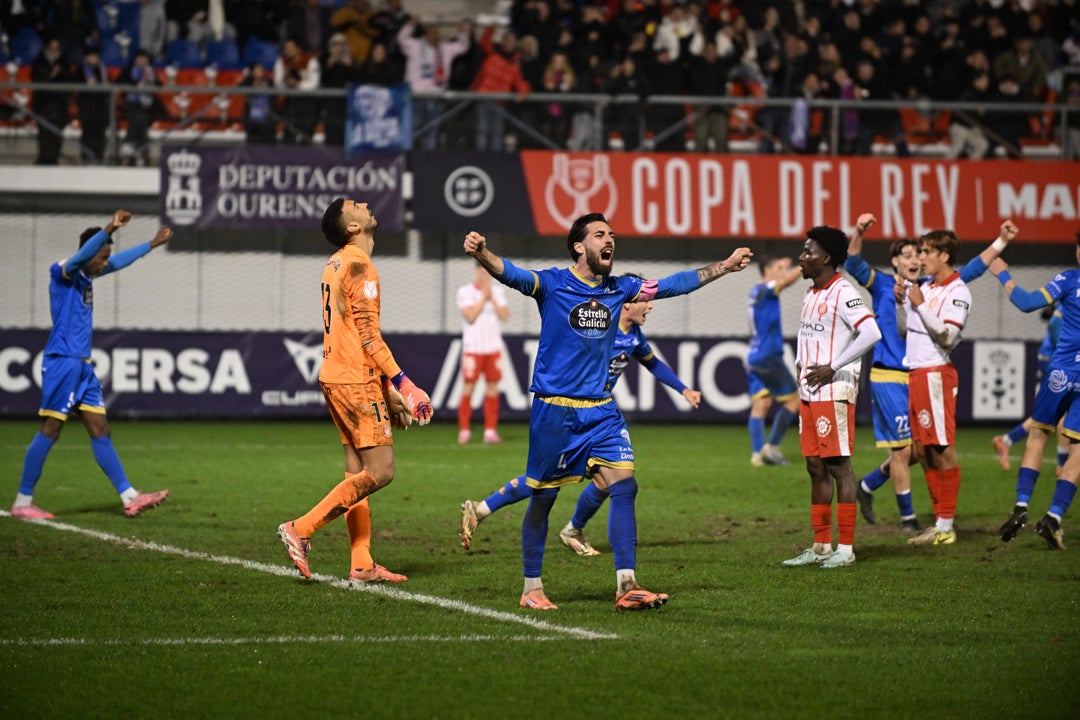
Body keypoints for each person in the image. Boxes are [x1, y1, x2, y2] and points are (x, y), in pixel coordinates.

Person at [463, 213, 752, 611]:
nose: (609, 239)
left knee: (624, 484)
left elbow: (674, 285)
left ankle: (627, 585)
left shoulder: (623, 289)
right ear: (580, 246)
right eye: (600, 234)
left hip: (600, 410)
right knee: (543, 497)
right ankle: (532, 588)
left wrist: (724, 266)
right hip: (555, 411)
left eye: (612, 234)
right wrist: (482, 254)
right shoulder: (552, 283)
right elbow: (511, 273)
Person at [459, 289, 703, 553]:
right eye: (646, 301)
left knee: (608, 478)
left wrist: (683, 389)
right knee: (545, 478)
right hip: (569, 412)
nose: (651, 306)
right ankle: (481, 509)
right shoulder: (599, 329)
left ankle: (573, 529)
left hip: (597, 416)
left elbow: (653, 363)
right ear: (628, 305)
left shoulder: (633, 336)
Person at [277, 198, 434, 583]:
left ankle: (362, 562)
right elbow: (368, 336)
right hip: (354, 378)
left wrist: (386, 391)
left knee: (356, 474)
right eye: (354, 205)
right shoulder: (361, 266)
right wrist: (404, 384)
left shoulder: (335, 263)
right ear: (352, 227)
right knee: (381, 472)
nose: (363, 204)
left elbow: (351, 333)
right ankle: (301, 528)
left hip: (336, 373)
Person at [847, 219, 1016, 531]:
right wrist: (858, 233)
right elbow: (853, 262)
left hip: (925, 373)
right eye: (910, 254)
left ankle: (877, 490)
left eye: (921, 253)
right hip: (894, 376)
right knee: (911, 451)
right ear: (896, 261)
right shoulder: (886, 285)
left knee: (922, 451)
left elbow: (974, 269)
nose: (916, 259)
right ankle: (913, 519)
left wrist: (1001, 242)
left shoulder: (932, 288)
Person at [12, 210, 172, 520]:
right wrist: (110, 227)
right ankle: (22, 502)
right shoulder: (63, 273)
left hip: (82, 367)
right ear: (86, 254)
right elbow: (84, 256)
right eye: (100, 257)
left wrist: (151, 244)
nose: (104, 263)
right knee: (51, 428)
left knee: (101, 429)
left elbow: (120, 260)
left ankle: (130, 496)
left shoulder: (87, 274)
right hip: (63, 363)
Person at [782, 226, 881, 569]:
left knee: (840, 467)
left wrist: (834, 366)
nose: (801, 256)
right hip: (810, 391)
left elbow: (871, 332)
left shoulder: (844, 291)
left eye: (808, 251)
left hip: (834, 390)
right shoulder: (812, 293)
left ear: (826, 258)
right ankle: (821, 545)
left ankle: (847, 549)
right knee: (815, 467)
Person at [991, 237, 1080, 549]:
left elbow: (1027, 302)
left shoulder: (1069, 279)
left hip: (1060, 372)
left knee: (1038, 435)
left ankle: (1021, 508)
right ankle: (1053, 517)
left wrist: (1003, 272)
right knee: (1079, 449)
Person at [897, 230, 973, 546]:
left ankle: (945, 526)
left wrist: (920, 304)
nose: (921, 257)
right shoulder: (924, 288)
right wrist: (902, 303)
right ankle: (939, 523)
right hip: (915, 373)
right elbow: (904, 331)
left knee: (942, 449)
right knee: (922, 451)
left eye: (927, 251)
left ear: (943, 255)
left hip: (935, 375)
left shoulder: (958, 292)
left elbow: (947, 337)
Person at [745, 255, 803, 467]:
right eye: (779, 268)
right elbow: (785, 282)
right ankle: (772, 447)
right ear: (768, 270)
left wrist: (785, 266)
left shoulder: (755, 291)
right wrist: (805, 264)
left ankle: (757, 455)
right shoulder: (768, 287)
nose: (783, 272)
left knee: (762, 402)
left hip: (754, 356)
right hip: (768, 355)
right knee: (793, 401)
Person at [992, 304, 1064, 473]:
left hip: (1054, 359)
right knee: (1063, 414)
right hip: (1056, 361)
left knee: (1051, 414)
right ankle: (1062, 464)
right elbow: (1053, 321)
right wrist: (1065, 351)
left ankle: (1006, 440)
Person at [456, 263, 510, 445]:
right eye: (482, 270)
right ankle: (464, 430)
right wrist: (483, 297)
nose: (485, 274)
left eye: (487, 271)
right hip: (473, 348)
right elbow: (470, 316)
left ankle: (490, 431)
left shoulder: (498, 292)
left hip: (493, 347)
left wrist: (492, 299)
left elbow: (504, 315)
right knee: (468, 386)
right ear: (476, 271)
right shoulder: (465, 292)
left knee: (493, 387)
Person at [31, 37, 70, 166]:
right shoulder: (39, 62)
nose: (54, 51)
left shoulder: (63, 64)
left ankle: (54, 158)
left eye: (56, 48)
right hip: (43, 105)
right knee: (44, 133)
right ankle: (44, 158)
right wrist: (51, 74)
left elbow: (68, 81)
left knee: (56, 133)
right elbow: (37, 80)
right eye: (51, 48)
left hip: (59, 106)